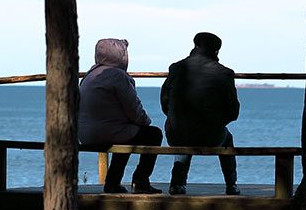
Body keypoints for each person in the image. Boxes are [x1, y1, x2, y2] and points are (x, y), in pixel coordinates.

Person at [79, 37, 163, 194]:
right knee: (153, 134)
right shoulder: (118, 76)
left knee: (126, 134)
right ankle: (141, 180)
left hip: (85, 134)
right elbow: (133, 108)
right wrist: (145, 122)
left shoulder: (89, 75)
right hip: (106, 132)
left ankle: (112, 182)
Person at [161, 31, 241, 196]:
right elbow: (233, 111)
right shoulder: (225, 73)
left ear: (195, 46)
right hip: (210, 135)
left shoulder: (176, 68)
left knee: (183, 138)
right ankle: (231, 184)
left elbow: (164, 100)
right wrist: (218, 122)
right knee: (227, 139)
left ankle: (177, 183)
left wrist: (174, 118)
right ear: (216, 51)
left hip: (176, 133)